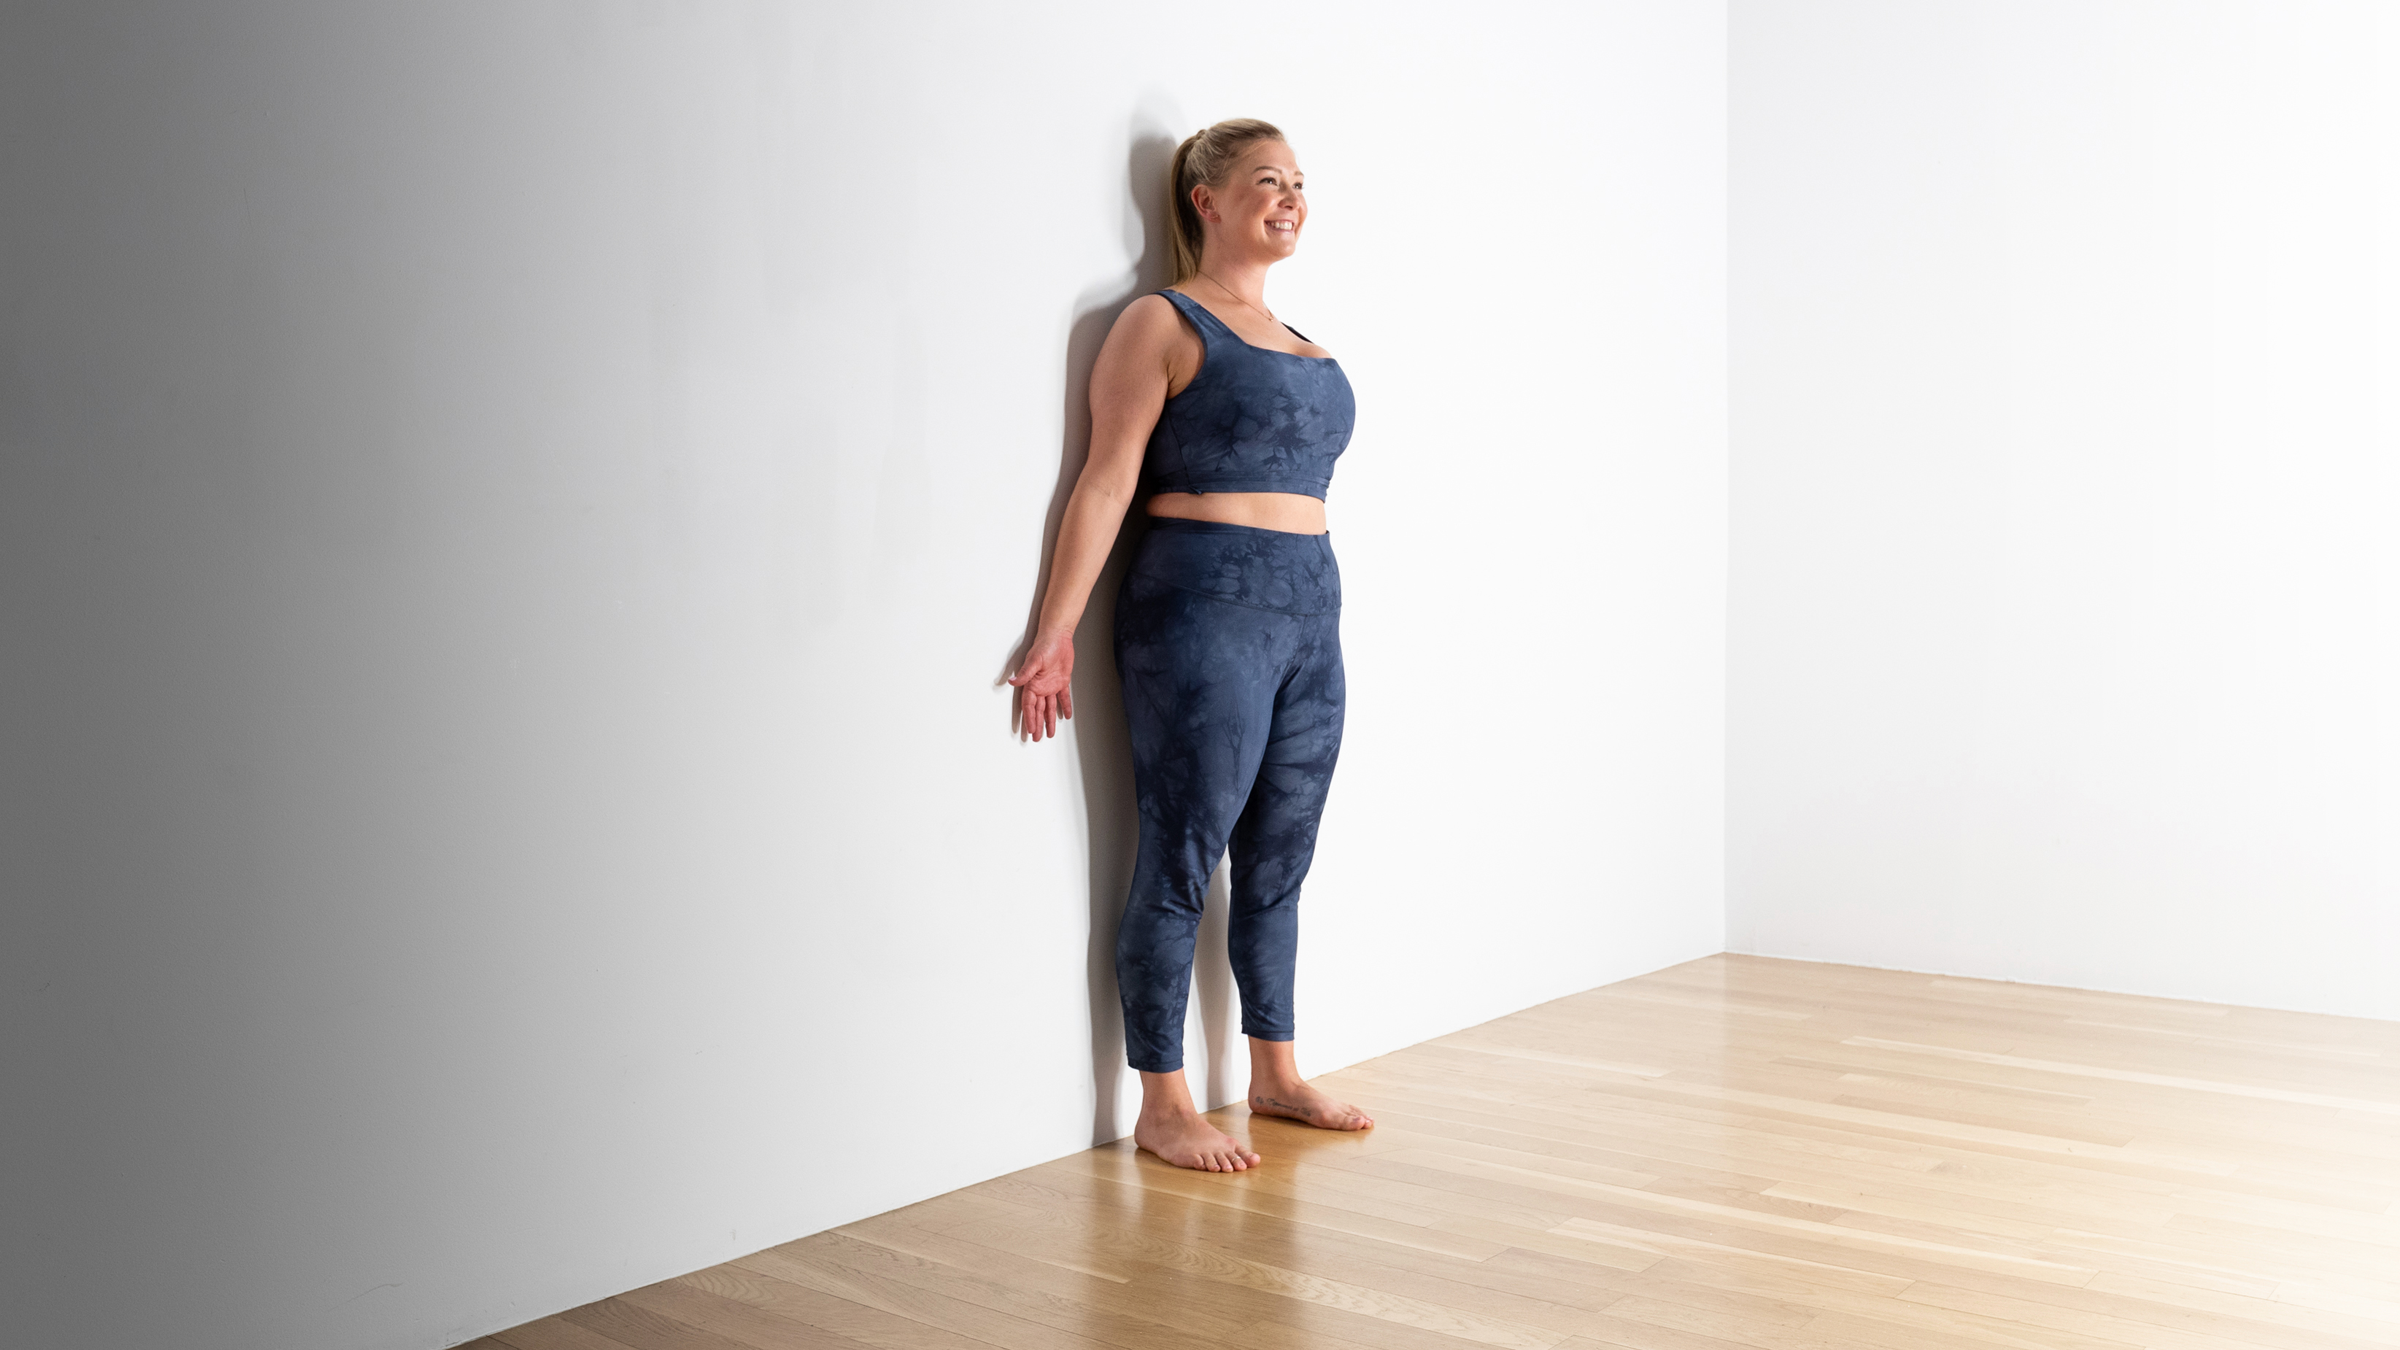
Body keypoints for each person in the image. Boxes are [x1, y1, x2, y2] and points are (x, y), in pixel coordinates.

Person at [1008, 119, 1374, 1172]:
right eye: (1269, 181)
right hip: (1202, 604)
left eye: (1301, 183)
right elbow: (1106, 479)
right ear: (1205, 199)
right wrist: (1055, 632)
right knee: (1180, 848)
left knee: (1280, 856)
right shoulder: (1160, 323)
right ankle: (1162, 1100)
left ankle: (1274, 1070)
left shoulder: (1307, 342)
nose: (1292, 198)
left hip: (1313, 610)